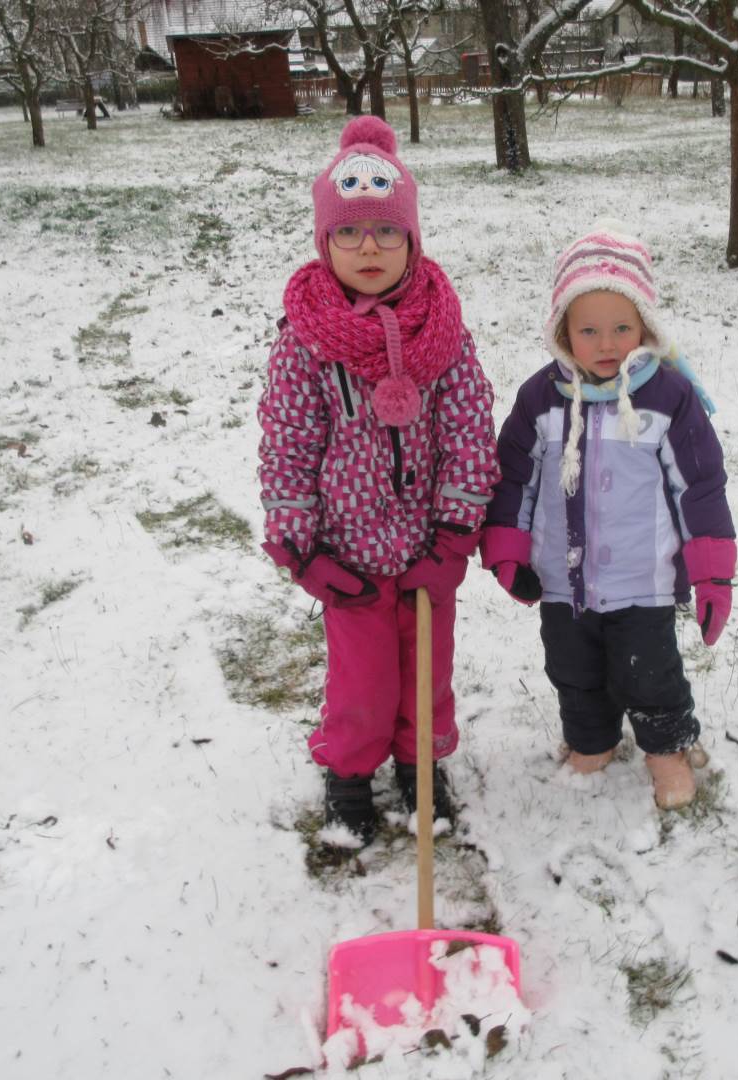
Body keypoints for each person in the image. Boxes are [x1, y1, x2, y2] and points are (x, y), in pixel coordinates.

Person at [257, 116, 499, 846]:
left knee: (426, 674)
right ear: (324, 241)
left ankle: (421, 767)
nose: (369, 248)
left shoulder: (441, 331)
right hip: (349, 556)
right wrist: (301, 548)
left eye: (387, 232)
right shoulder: (307, 341)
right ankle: (350, 773)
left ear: (412, 240)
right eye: (350, 232)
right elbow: (289, 443)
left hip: (427, 549)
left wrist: (454, 535)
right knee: (361, 682)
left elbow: (469, 430)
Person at [480, 220, 736, 811]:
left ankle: (667, 749)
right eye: (588, 330)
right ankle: (590, 740)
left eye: (622, 327)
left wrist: (712, 573)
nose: (606, 344)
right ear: (563, 332)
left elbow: (699, 487)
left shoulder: (668, 399)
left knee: (650, 671)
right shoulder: (541, 398)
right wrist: (508, 550)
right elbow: (514, 476)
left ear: (644, 325)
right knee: (572, 668)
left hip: (642, 580)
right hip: (561, 580)